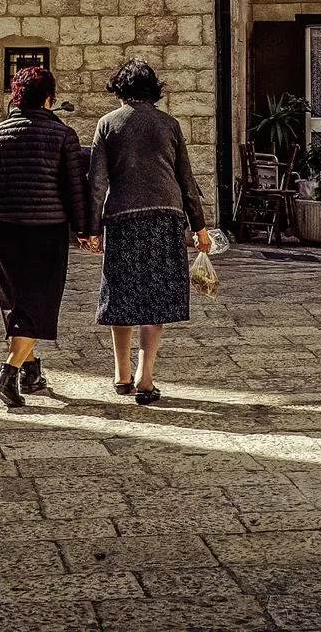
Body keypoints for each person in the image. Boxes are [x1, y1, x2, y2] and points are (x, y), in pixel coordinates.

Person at [0, 65, 89, 408]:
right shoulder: (63, 136)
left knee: (16, 300)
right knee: (38, 302)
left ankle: (31, 371)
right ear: (49, 98)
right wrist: (86, 229)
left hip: (4, 230)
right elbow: (75, 188)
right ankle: (9, 371)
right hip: (46, 230)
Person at [88, 59, 212, 406]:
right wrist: (199, 227)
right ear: (154, 89)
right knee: (156, 294)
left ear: (120, 90)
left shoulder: (108, 125)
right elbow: (187, 182)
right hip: (165, 217)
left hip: (123, 218)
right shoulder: (169, 125)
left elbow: (96, 182)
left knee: (122, 292)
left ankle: (121, 374)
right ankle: (146, 375)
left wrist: (92, 228)